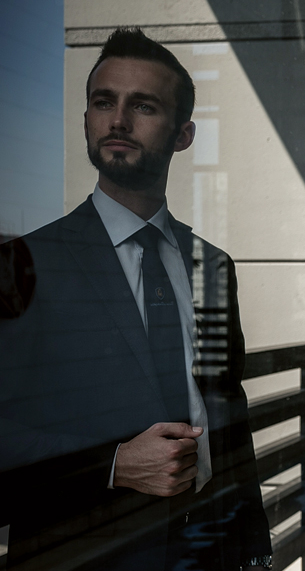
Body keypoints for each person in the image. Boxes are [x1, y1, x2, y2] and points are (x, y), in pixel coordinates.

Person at [0, 28, 272, 570]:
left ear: (183, 135)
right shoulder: (21, 265)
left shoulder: (213, 266)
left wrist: (255, 552)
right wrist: (114, 464)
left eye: (143, 106)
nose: (118, 120)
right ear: (86, 120)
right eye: (104, 102)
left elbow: (228, 415)